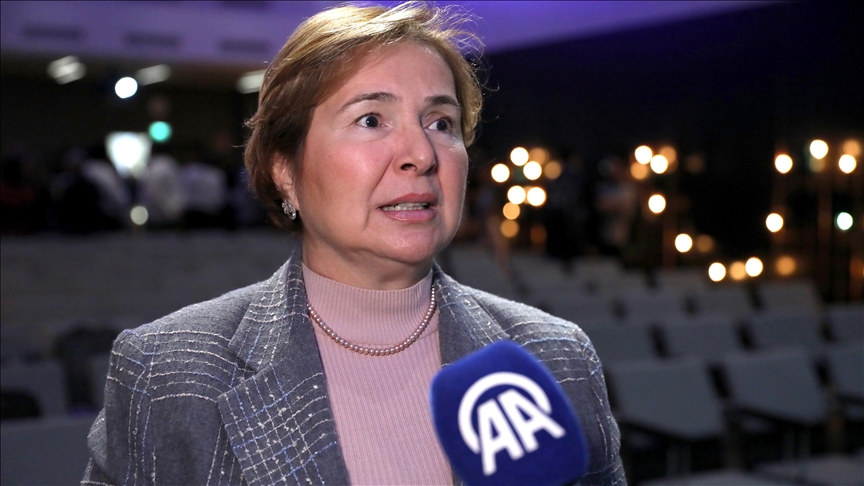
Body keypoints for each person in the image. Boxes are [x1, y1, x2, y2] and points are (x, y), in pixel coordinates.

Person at [82, 3, 624, 485]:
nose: (421, 154)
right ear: (285, 170)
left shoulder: (558, 356)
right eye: (371, 119)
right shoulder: (165, 372)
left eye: (441, 122)